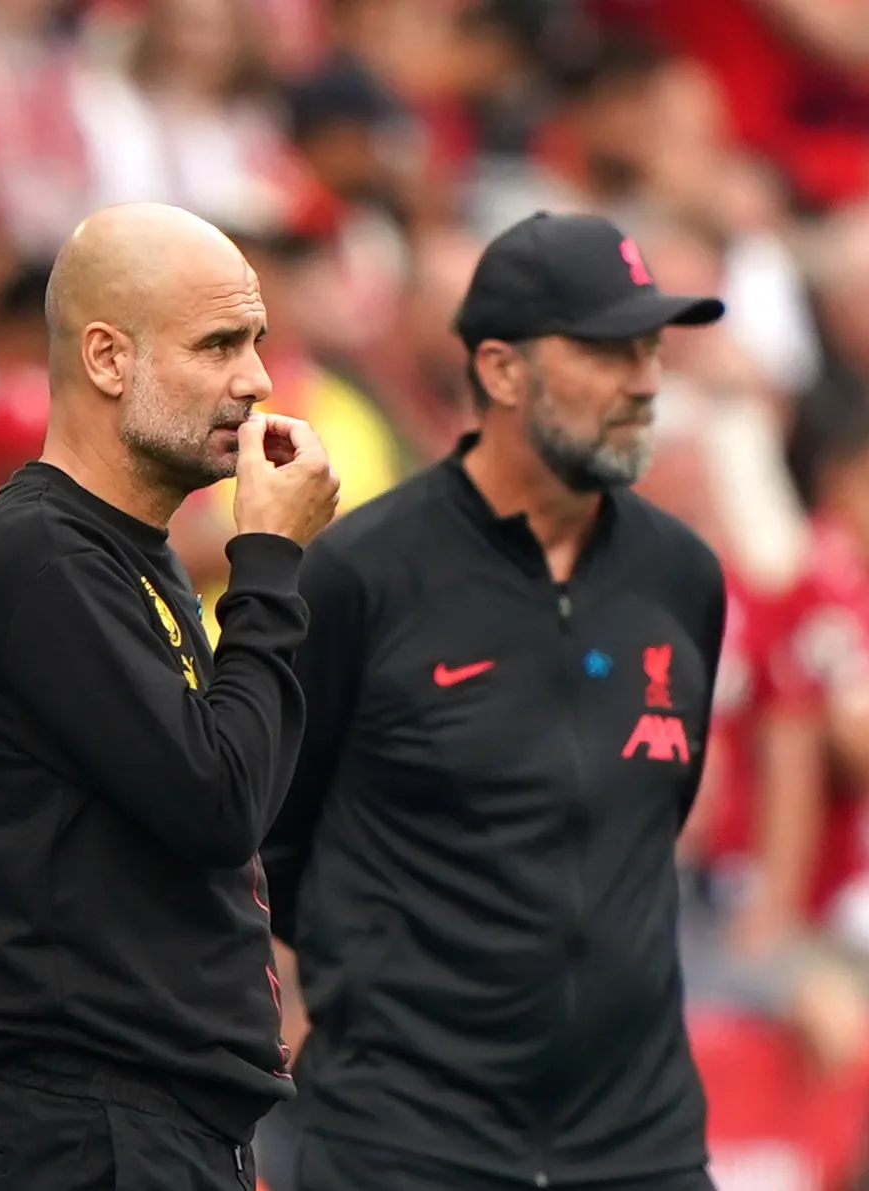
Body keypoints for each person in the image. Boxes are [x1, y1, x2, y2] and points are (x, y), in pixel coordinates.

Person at [262, 210, 729, 1190]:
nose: (644, 380)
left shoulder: (680, 576)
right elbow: (276, 835)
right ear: (502, 371)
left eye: (649, 349)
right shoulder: (362, 574)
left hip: (638, 1145)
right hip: (409, 1143)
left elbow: (644, 826)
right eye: (605, 351)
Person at [0, 202, 339, 1190]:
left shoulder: (124, 560)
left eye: (258, 342)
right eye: (219, 344)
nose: (259, 381)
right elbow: (218, 796)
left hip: (154, 1130)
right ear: (108, 359)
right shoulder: (36, 557)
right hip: (89, 1133)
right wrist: (269, 559)